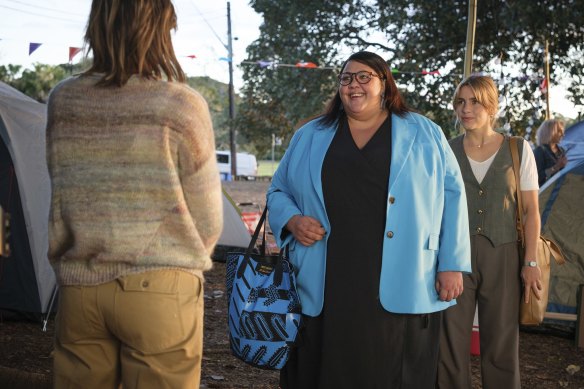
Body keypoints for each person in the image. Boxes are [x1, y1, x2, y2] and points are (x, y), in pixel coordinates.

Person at [266, 51, 471, 389]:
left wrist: (451, 263)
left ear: (384, 84)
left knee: (392, 369)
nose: (353, 85)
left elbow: (453, 198)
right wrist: (292, 220)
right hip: (325, 277)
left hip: (403, 276)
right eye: (346, 78)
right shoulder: (309, 135)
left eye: (364, 77)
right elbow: (277, 191)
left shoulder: (425, 133)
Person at [46, 1, 223, 388]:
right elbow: (210, 220)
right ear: (160, 28)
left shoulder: (64, 100)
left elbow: (61, 196)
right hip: (160, 288)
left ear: (97, 25)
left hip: (80, 288)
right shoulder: (180, 104)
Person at [437, 75, 541, 389]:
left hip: (504, 253)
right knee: (450, 343)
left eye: (474, 102)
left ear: (491, 106)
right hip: (455, 256)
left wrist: (531, 262)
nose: (465, 109)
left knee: (501, 342)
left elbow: (531, 211)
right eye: (460, 102)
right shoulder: (446, 150)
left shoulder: (518, 149)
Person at [533, 119, 568, 186]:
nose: (563, 135)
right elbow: (537, 178)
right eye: (559, 131)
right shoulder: (539, 151)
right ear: (550, 132)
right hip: (545, 194)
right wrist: (556, 167)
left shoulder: (562, 151)